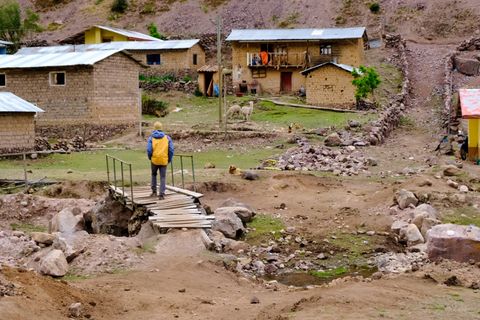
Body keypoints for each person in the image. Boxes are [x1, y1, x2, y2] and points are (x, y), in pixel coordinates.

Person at [147, 122, 174, 200]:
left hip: (154, 160)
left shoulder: (151, 138)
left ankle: (154, 192)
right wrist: (169, 159)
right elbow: (171, 150)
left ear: (154, 128)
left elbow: (149, 150)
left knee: (153, 174)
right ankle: (161, 194)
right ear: (161, 128)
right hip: (163, 160)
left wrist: (150, 157)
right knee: (163, 177)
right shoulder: (167, 138)